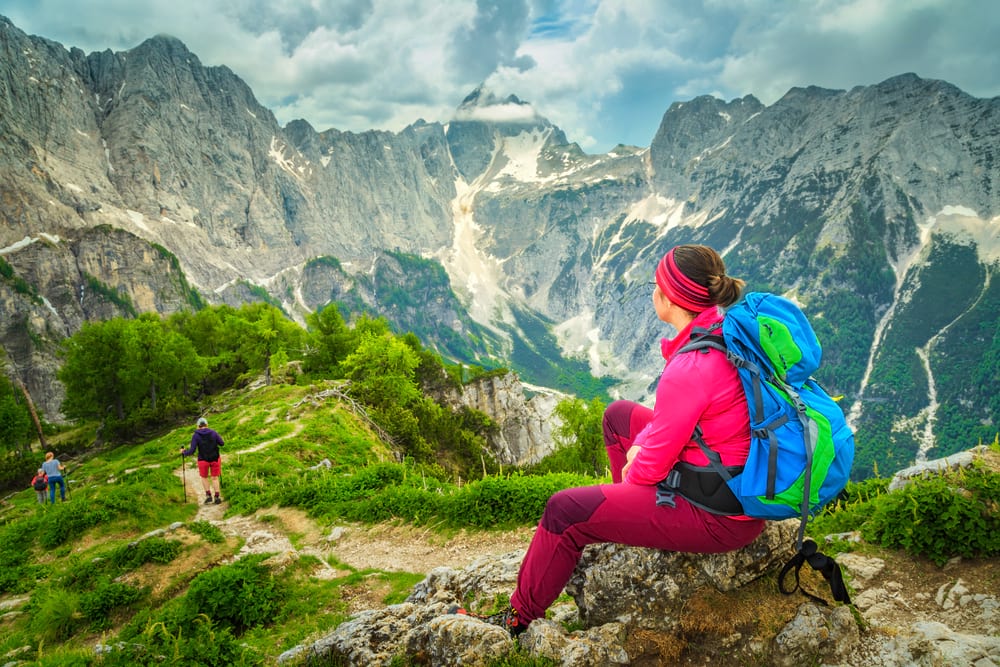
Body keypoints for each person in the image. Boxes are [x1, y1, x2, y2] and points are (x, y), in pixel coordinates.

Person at [455, 244, 766, 636]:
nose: (652, 291)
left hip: (718, 517)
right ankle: (626, 524)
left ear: (671, 298)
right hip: (730, 484)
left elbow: (647, 472)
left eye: (657, 284)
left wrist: (639, 460)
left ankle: (517, 618)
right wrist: (642, 445)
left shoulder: (690, 366)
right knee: (618, 417)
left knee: (564, 510)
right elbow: (680, 418)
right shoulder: (720, 331)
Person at [180, 416, 225, 504]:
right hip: (215, 458)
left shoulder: (196, 435)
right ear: (206, 424)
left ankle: (208, 495)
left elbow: (192, 450)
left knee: (204, 477)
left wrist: (184, 452)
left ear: (198, 426)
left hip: (203, 460)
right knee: (215, 478)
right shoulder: (213, 432)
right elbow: (222, 443)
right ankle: (217, 497)